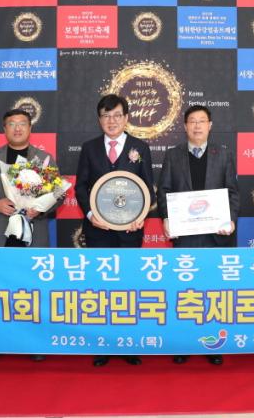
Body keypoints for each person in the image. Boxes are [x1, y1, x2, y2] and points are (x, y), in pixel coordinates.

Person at [0, 109, 62, 362]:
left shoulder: (44, 158)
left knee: (34, 289)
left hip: (35, 232)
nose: (17, 128)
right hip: (1, 232)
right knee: (0, 289)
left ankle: (36, 343)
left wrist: (41, 207)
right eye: (11, 124)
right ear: (4, 129)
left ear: (30, 128)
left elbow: (58, 193)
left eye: (22, 123)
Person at [74, 94, 155, 367]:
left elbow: (147, 188)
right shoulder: (89, 148)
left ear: (126, 118)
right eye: (106, 116)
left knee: (128, 287)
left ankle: (127, 342)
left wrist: (141, 216)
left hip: (129, 231)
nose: (112, 121)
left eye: (117, 115)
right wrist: (90, 214)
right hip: (98, 231)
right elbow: (81, 187)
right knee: (101, 288)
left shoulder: (140, 147)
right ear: (99, 120)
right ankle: (103, 344)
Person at [157, 105, 240, 366]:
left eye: (201, 121)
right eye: (192, 121)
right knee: (186, 292)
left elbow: (233, 192)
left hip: (216, 235)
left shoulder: (224, 154)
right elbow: (164, 190)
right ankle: (184, 343)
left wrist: (230, 219)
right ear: (184, 126)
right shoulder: (173, 155)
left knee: (212, 291)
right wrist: (167, 217)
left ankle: (212, 343)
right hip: (186, 236)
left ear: (210, 125)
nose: (197, 126)